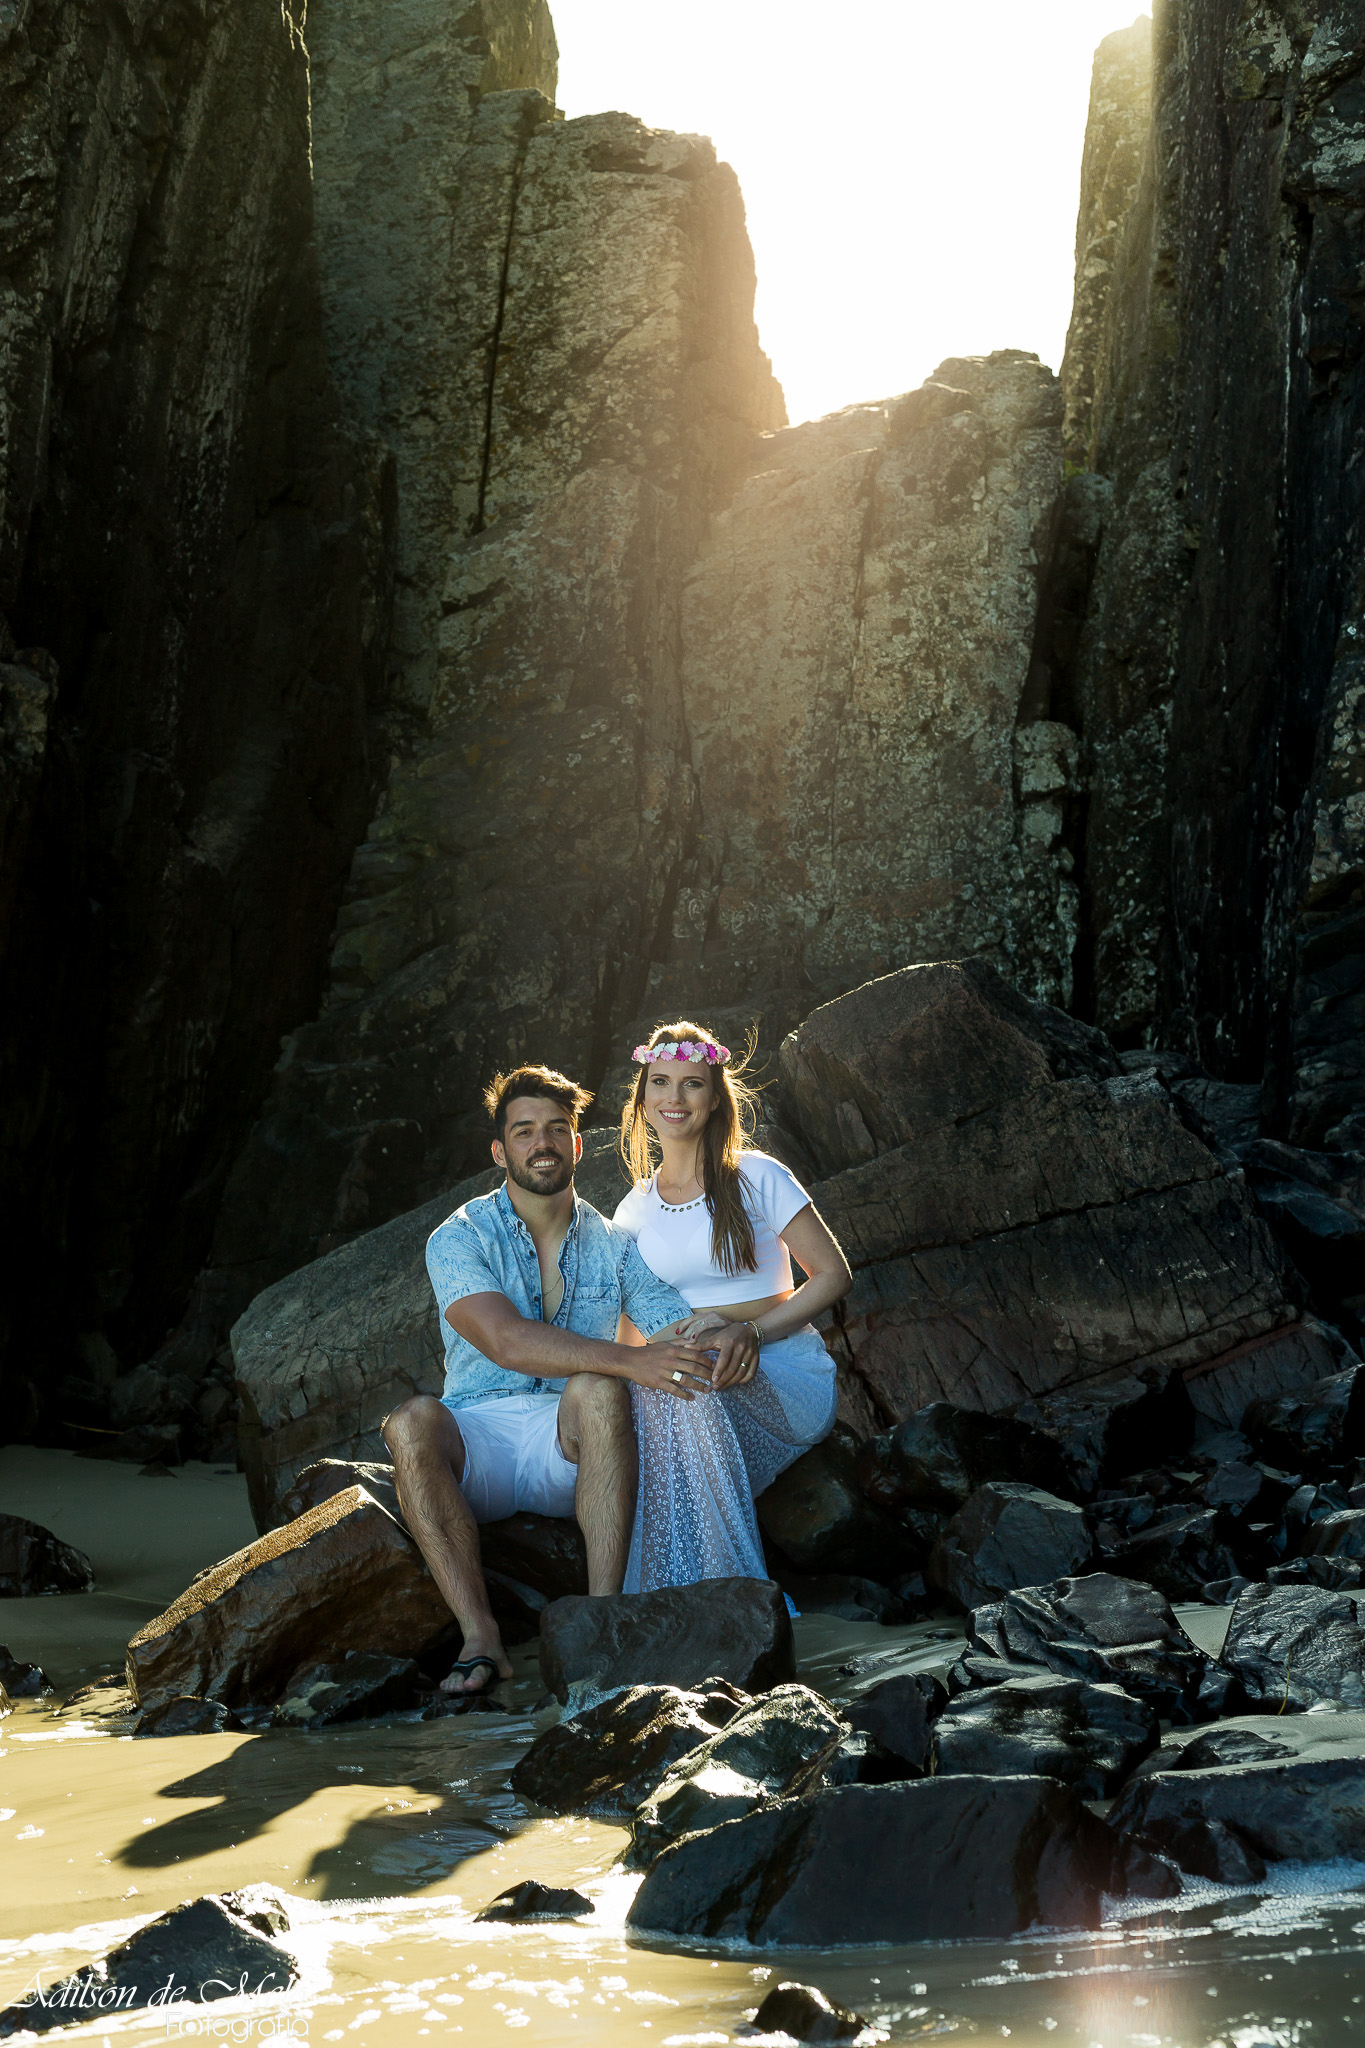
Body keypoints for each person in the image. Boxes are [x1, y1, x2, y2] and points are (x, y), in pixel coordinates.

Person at [383, 1064, 708, 1696]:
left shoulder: (616, 1244)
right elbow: (503, 1339)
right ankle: (480, 1637)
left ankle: (599, 1618)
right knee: (411, 1421)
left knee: (601, 1389)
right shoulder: (459, 1236)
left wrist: (738, 1328)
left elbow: (674, 1328)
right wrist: (630, 1358)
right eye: (526, 1131)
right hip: (478, 1433)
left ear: (578, 1144)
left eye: (558, 1129)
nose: (544, 1143)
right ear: (500, 1150)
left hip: (572, 1444)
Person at [613, 1019, 853, 1592]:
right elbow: (628, 1340)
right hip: (687, 1380)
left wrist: (752, 1332)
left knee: (685, 1381)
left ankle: (733, 1598)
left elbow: (833, 1276)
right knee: (671, 1383)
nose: (675, 1098)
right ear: (642, 1099)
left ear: (715, 1096)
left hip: (778, 1370)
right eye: (661, 1083)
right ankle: (676, 1601)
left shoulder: (757, 1177)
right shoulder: (630, 1211)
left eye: (692, 1084)